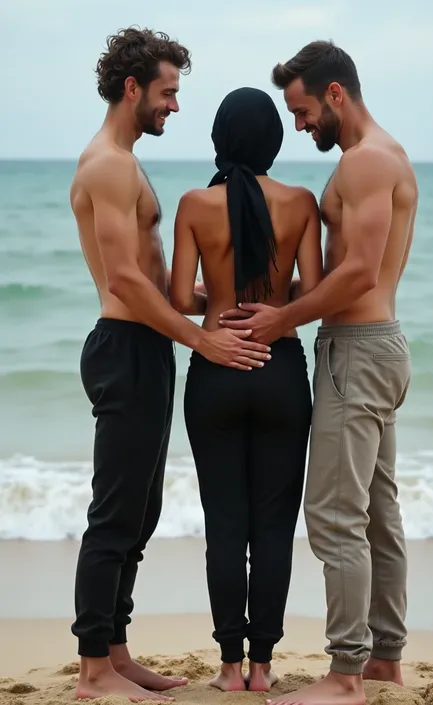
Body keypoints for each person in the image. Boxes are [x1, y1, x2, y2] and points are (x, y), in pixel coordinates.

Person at [69, 28, 272, 703]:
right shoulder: (107, 165)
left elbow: (153, 277)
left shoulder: (124, 162)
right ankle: (92, 668)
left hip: (147, 347)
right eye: (167, 92)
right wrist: (202, 340)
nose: (174, 106)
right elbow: (126, 282)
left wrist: (217, 302)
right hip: (126, 347)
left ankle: (116, 652)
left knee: (141, 510)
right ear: (133, 88)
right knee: (114, 514)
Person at [219, 43, 418, 705]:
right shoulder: (383, 154)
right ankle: (385, 658)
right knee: (378, 513)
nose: (300, 127)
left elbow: (357, 271)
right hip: (379, 344)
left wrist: (281, 321)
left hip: (358, 350)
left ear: (335, 93)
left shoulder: (365, 162)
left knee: (334, 515)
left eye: (303, 112)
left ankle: (345, 674)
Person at [170, 87, 322, 693]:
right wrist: (270, 306)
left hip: (216, 372)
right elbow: (310, 294)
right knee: (274, 525)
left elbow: (181, 299)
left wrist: (221, 307)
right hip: (281, 368)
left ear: (219, 139)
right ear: (274, 142)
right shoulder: (301, 202)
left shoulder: (193, 205)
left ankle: (229, 667)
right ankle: (264, 667)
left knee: (225, 521)